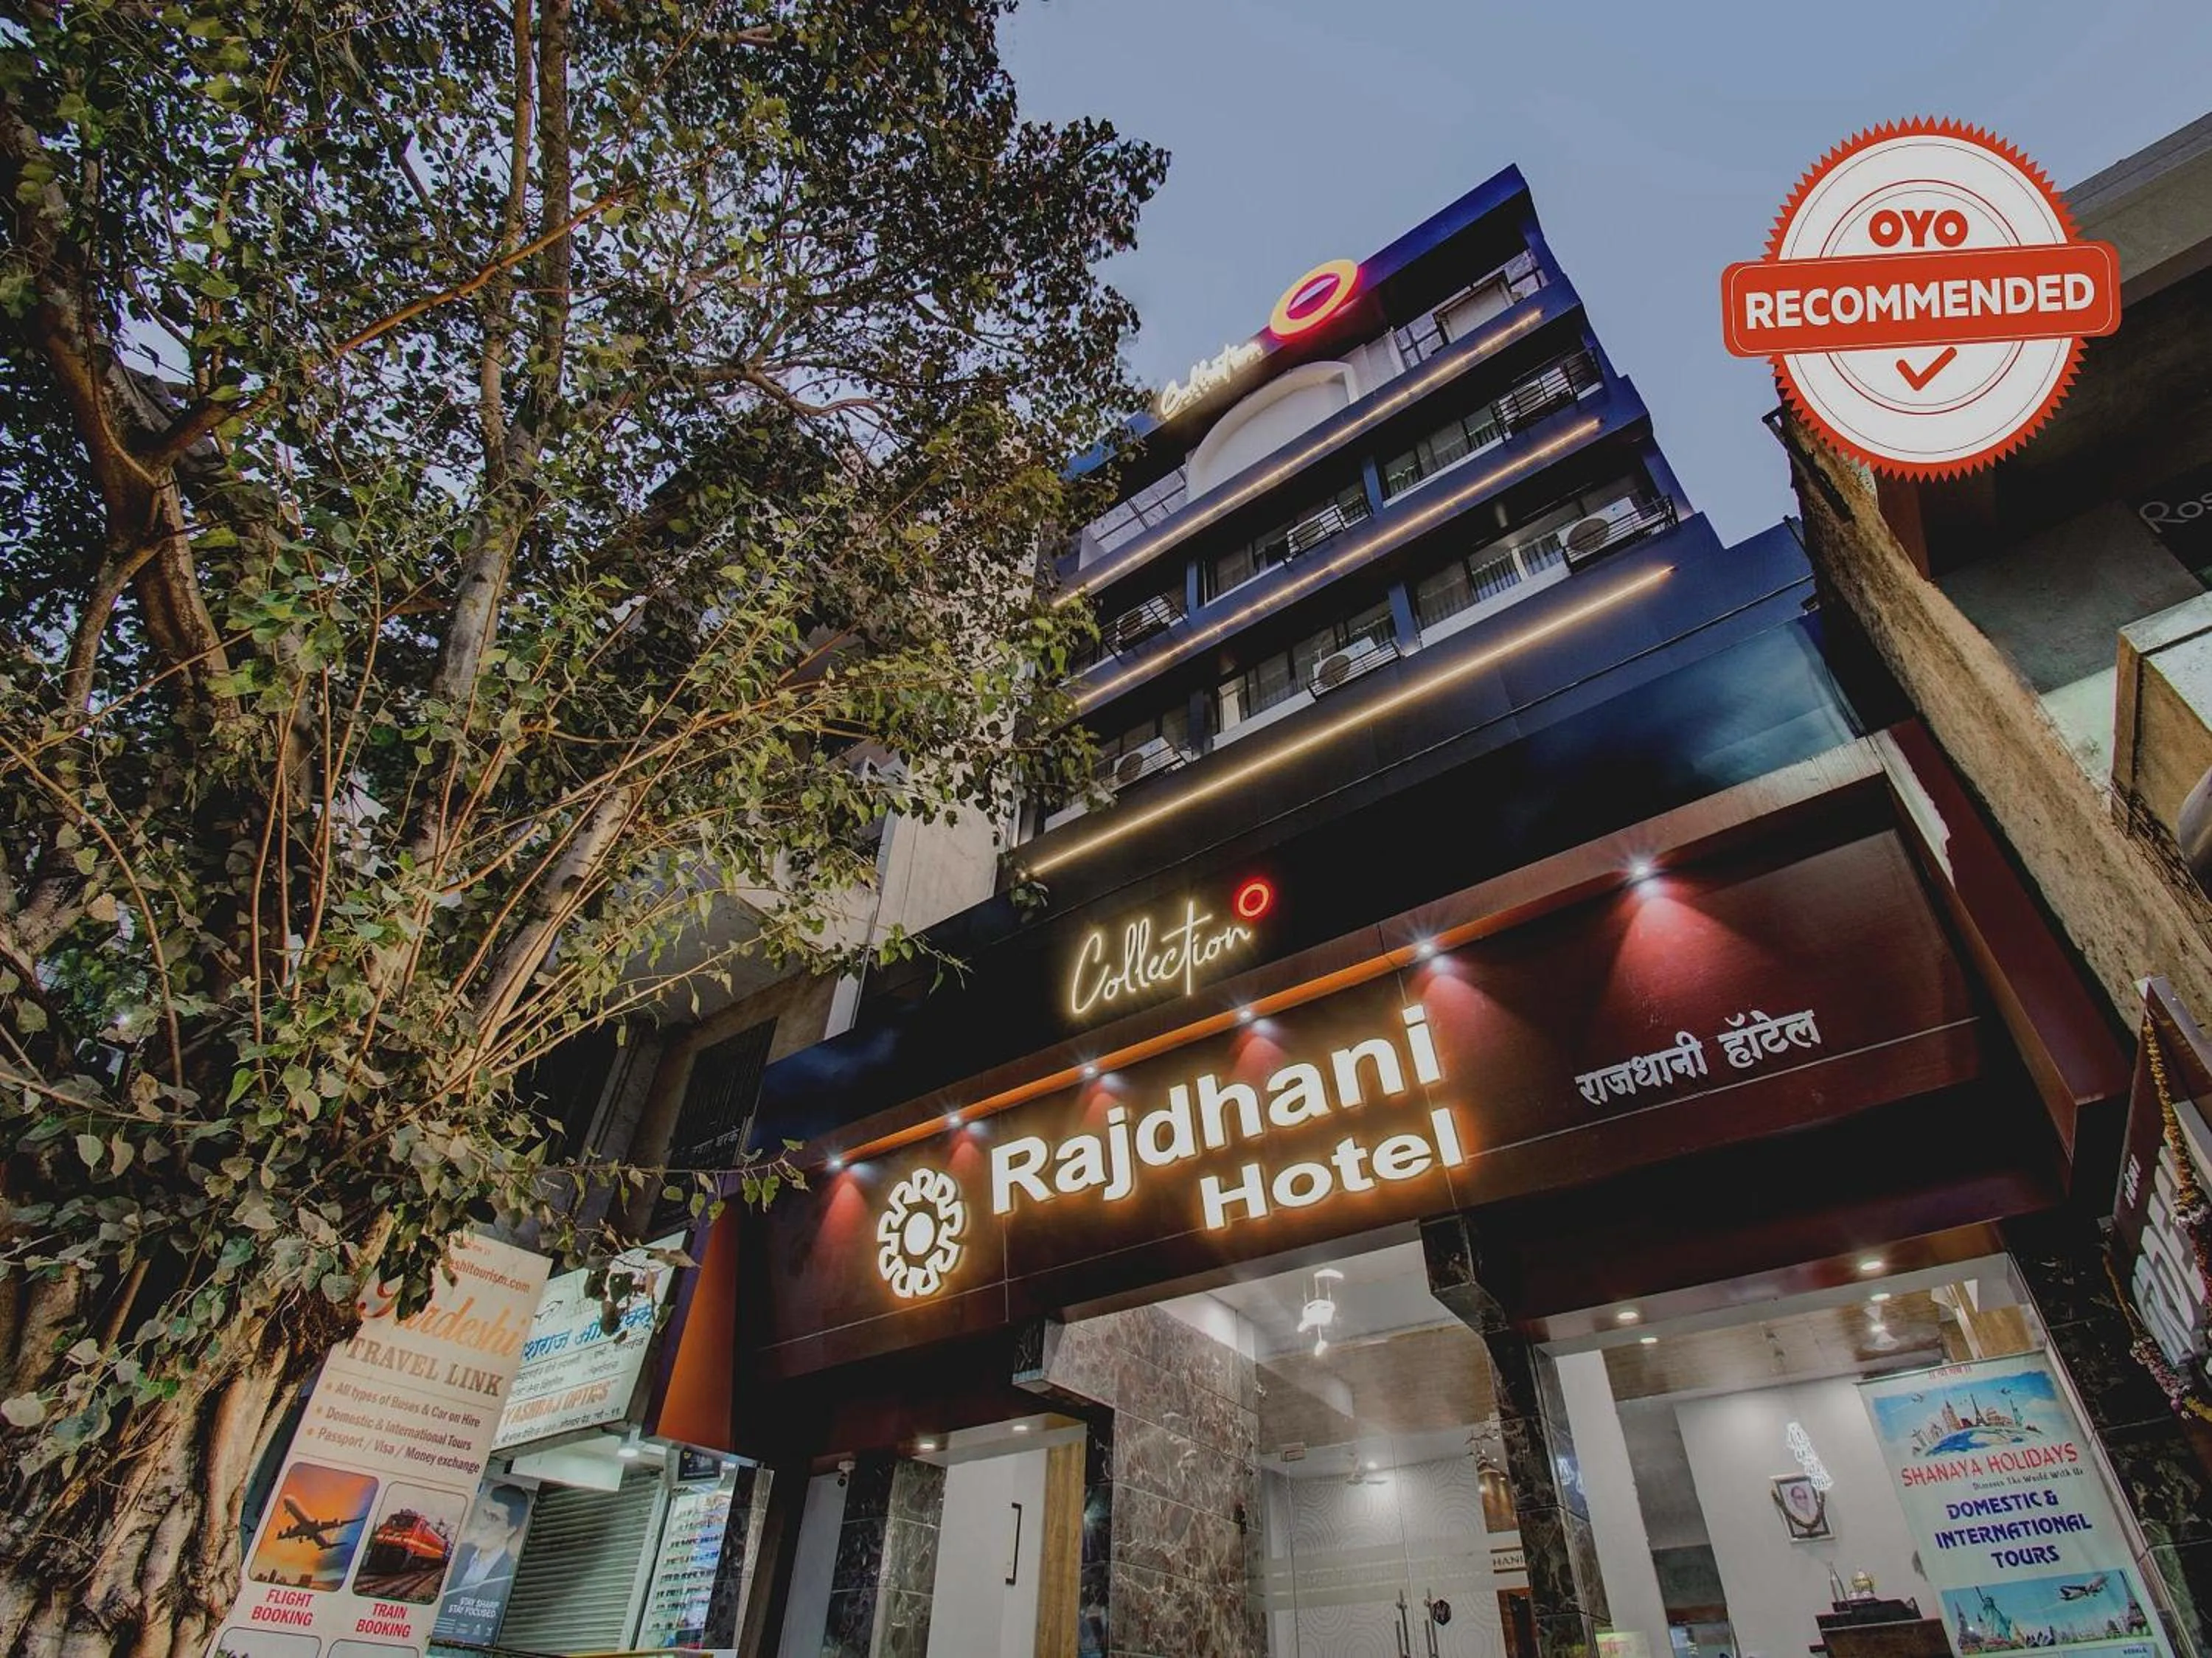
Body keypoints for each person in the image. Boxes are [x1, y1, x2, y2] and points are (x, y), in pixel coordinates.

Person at [446, 1484, 531, 1595]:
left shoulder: (512, 1571)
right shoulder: (459, 1553)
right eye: (484, 1513)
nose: (481, 1523)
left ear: (510, 1530)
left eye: (493, 1518)